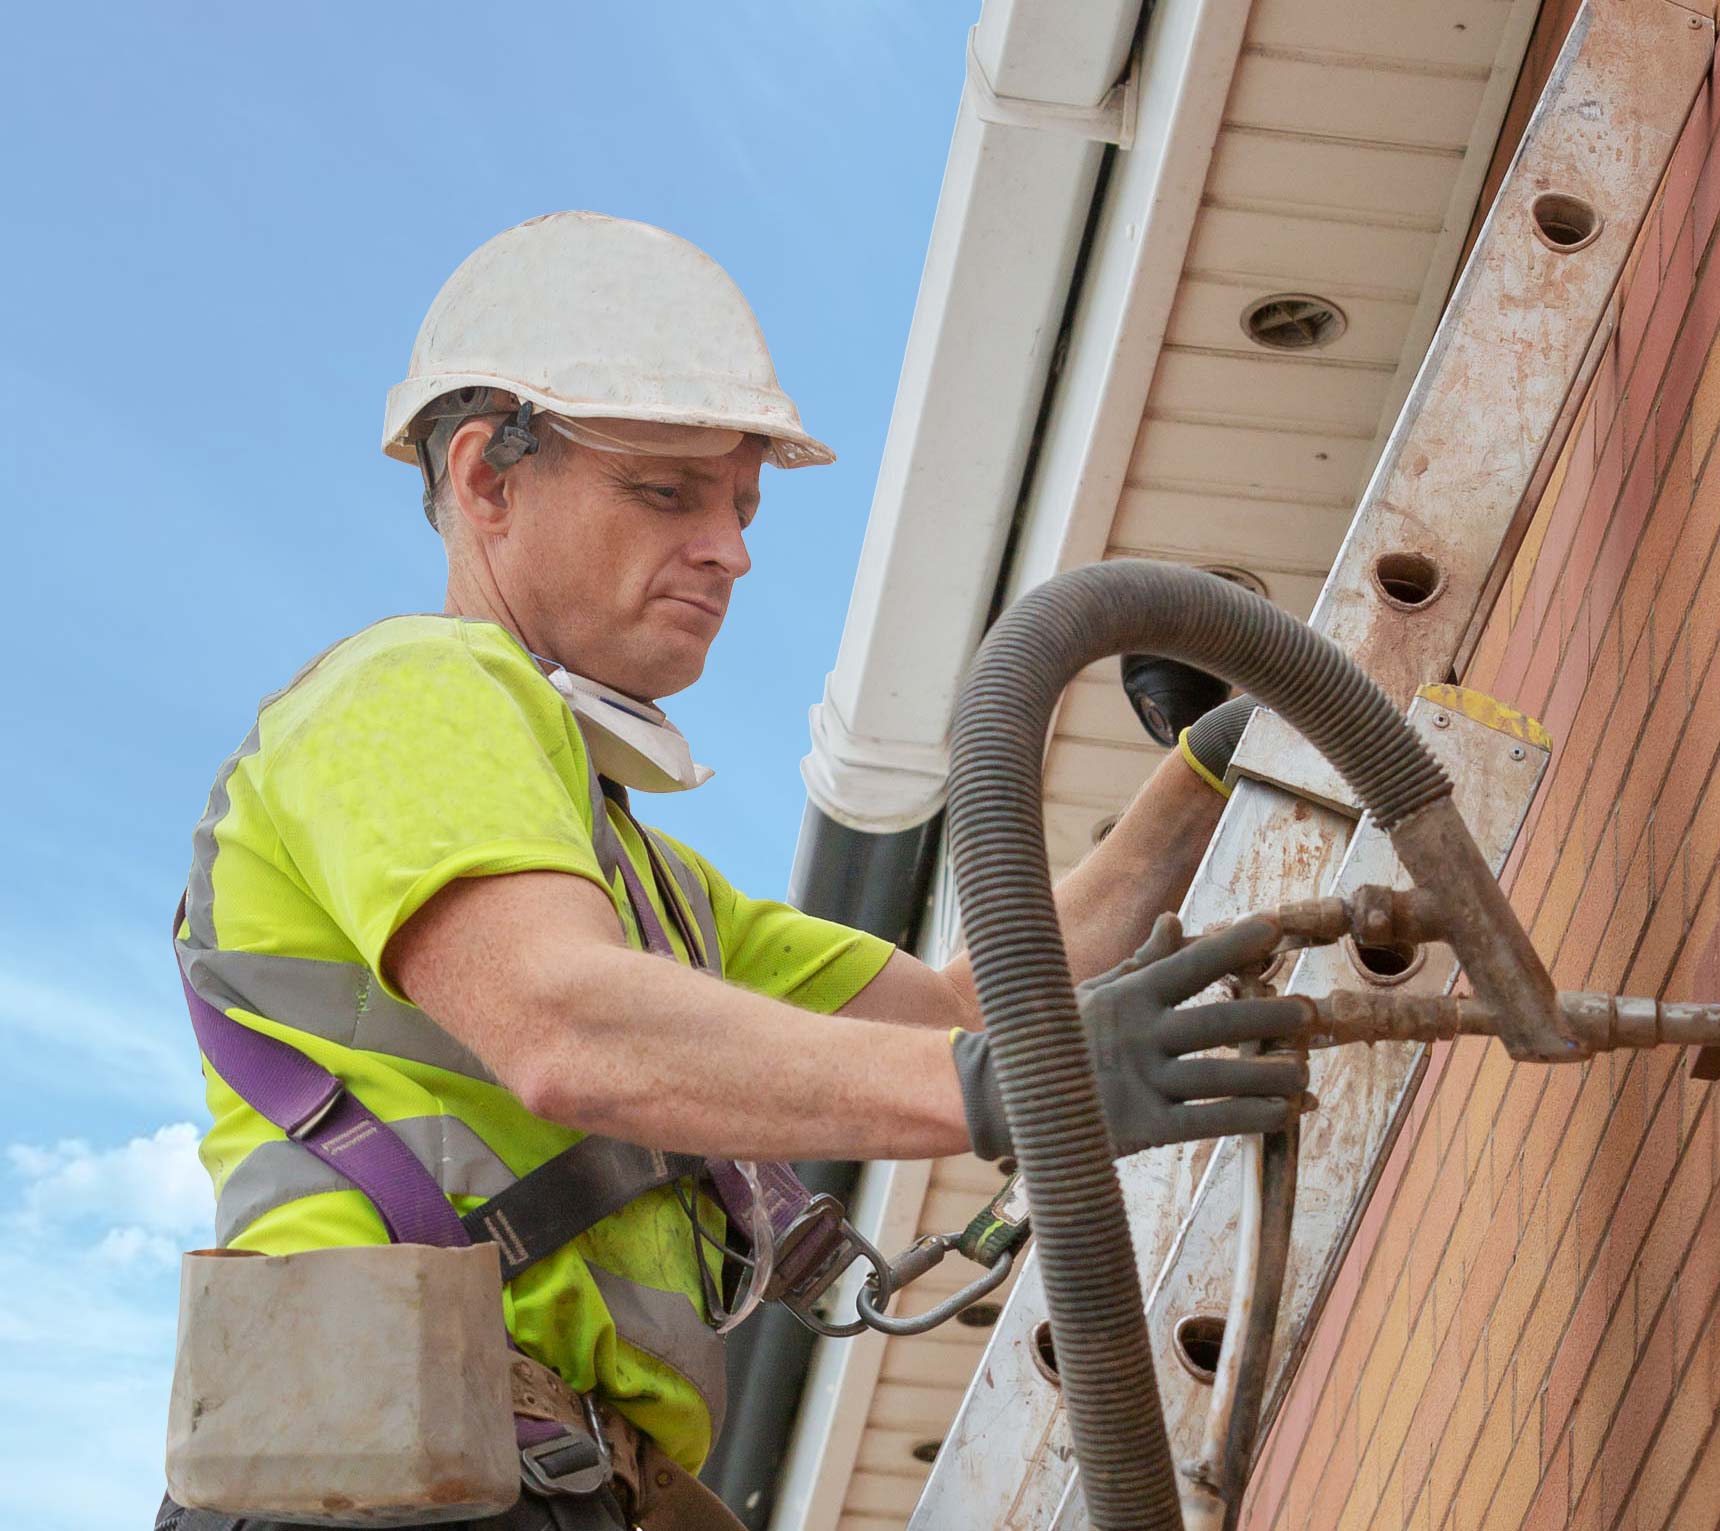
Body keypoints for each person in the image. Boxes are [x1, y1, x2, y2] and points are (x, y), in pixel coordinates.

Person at [157, 211, 1309, 1530]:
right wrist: (1019, 1087)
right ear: (487, 481)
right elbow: (559, 1023)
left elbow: (961, 1013)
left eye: (742, 508)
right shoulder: (416, 688)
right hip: (379, 1486)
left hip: (532, 1484)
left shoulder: (649, 886)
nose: (731, 549)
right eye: (668, 493)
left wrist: (1202, 772)